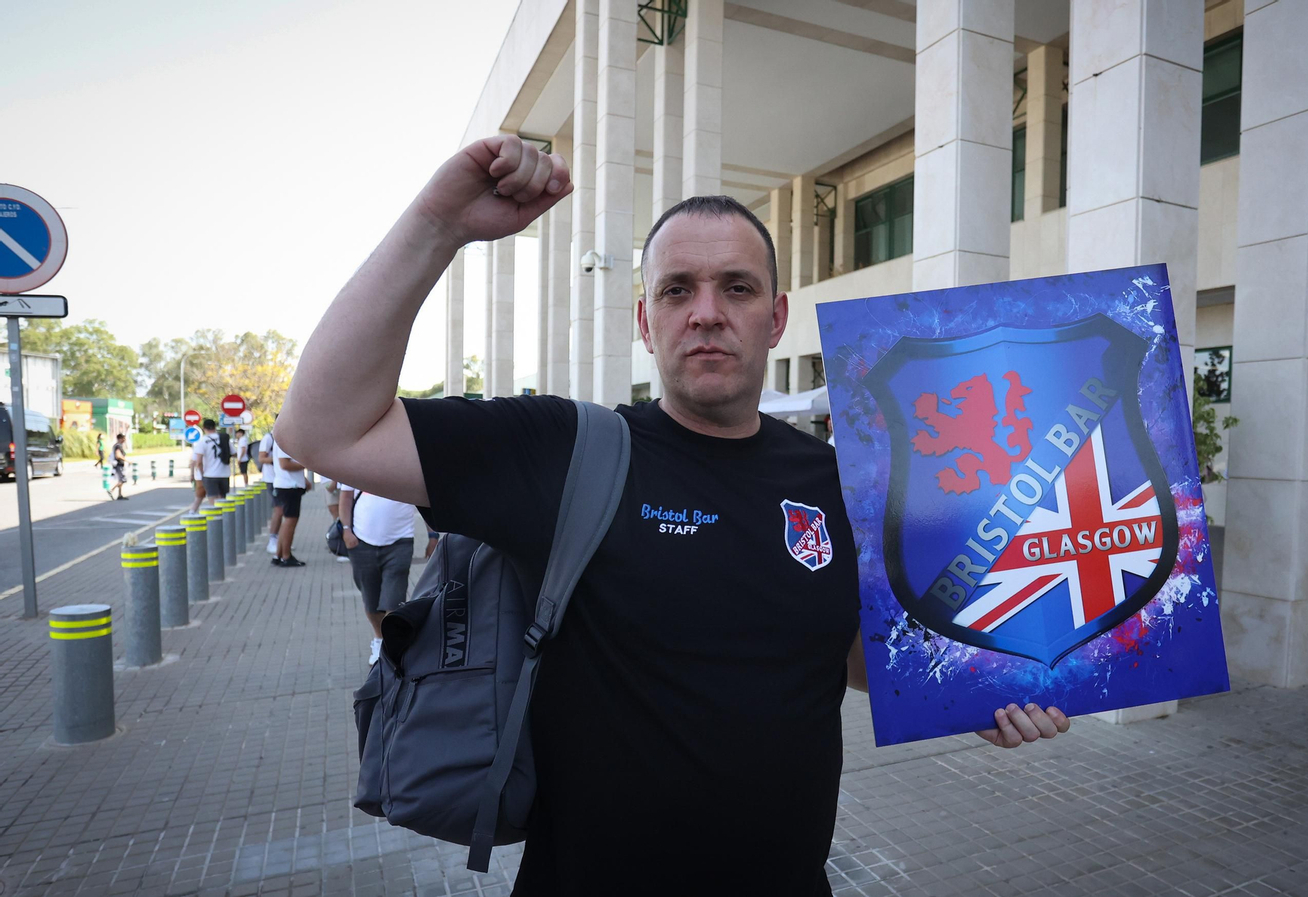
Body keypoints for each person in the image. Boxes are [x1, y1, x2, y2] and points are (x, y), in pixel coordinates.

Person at [274, 136, 1067, 895]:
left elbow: (843, 653)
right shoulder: (564, 451)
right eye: (677, 290)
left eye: (738, 287)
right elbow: (320, 428)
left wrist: (976, 687)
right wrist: (438, 225)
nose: (708, 311)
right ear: (644, 321)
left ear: (777, 317)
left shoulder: (838, 477)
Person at [340, 483, 417, 664]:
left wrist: (432, 536)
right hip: (361, 542)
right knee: (371, 601)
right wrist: (346, 531)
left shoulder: (404, 464)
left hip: (400, 541)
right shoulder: (354, 463)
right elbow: (346, 497)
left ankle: (392, 646)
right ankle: (379, 638)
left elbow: (424, 501)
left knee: (393, 599)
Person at [270, 439, 307, 567]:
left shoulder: (282, 439)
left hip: (288, 485)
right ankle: (286, 556)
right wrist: (306, 464)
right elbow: (285, 464)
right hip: (289, 486)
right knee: (290, 522)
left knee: (287, 522)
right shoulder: (284, 440)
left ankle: (279, 555)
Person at [196, 419, 232, 506]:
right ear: (215, 427)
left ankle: (217, 518)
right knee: (223, 500)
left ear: (204, 428)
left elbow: (199, 462)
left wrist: (202, 474)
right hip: (224, 474)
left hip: (210, 475)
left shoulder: (203, 441)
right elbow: (234, 453)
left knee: (213, 501)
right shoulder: (224, 439)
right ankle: (224, 518)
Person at [259, 430, 281, 555]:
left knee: (282, 510)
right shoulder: (268, 438)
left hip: (282, 479)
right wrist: (278, 459)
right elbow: (261, 458)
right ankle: (272, 540)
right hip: (272, 479)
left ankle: (280, 539)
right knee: (278, 509)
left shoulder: (285, 437)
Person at [107, 432, 128, 500]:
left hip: (118, 464)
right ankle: (111, 490)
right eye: (123, 438)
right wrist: (127, 460)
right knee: (122, 479)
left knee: (120, 479)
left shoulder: (117, 445)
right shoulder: (118, 446)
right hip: (118, 464)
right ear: (120, 438)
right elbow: (118, 455)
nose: (124, 440)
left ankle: (119, 495)